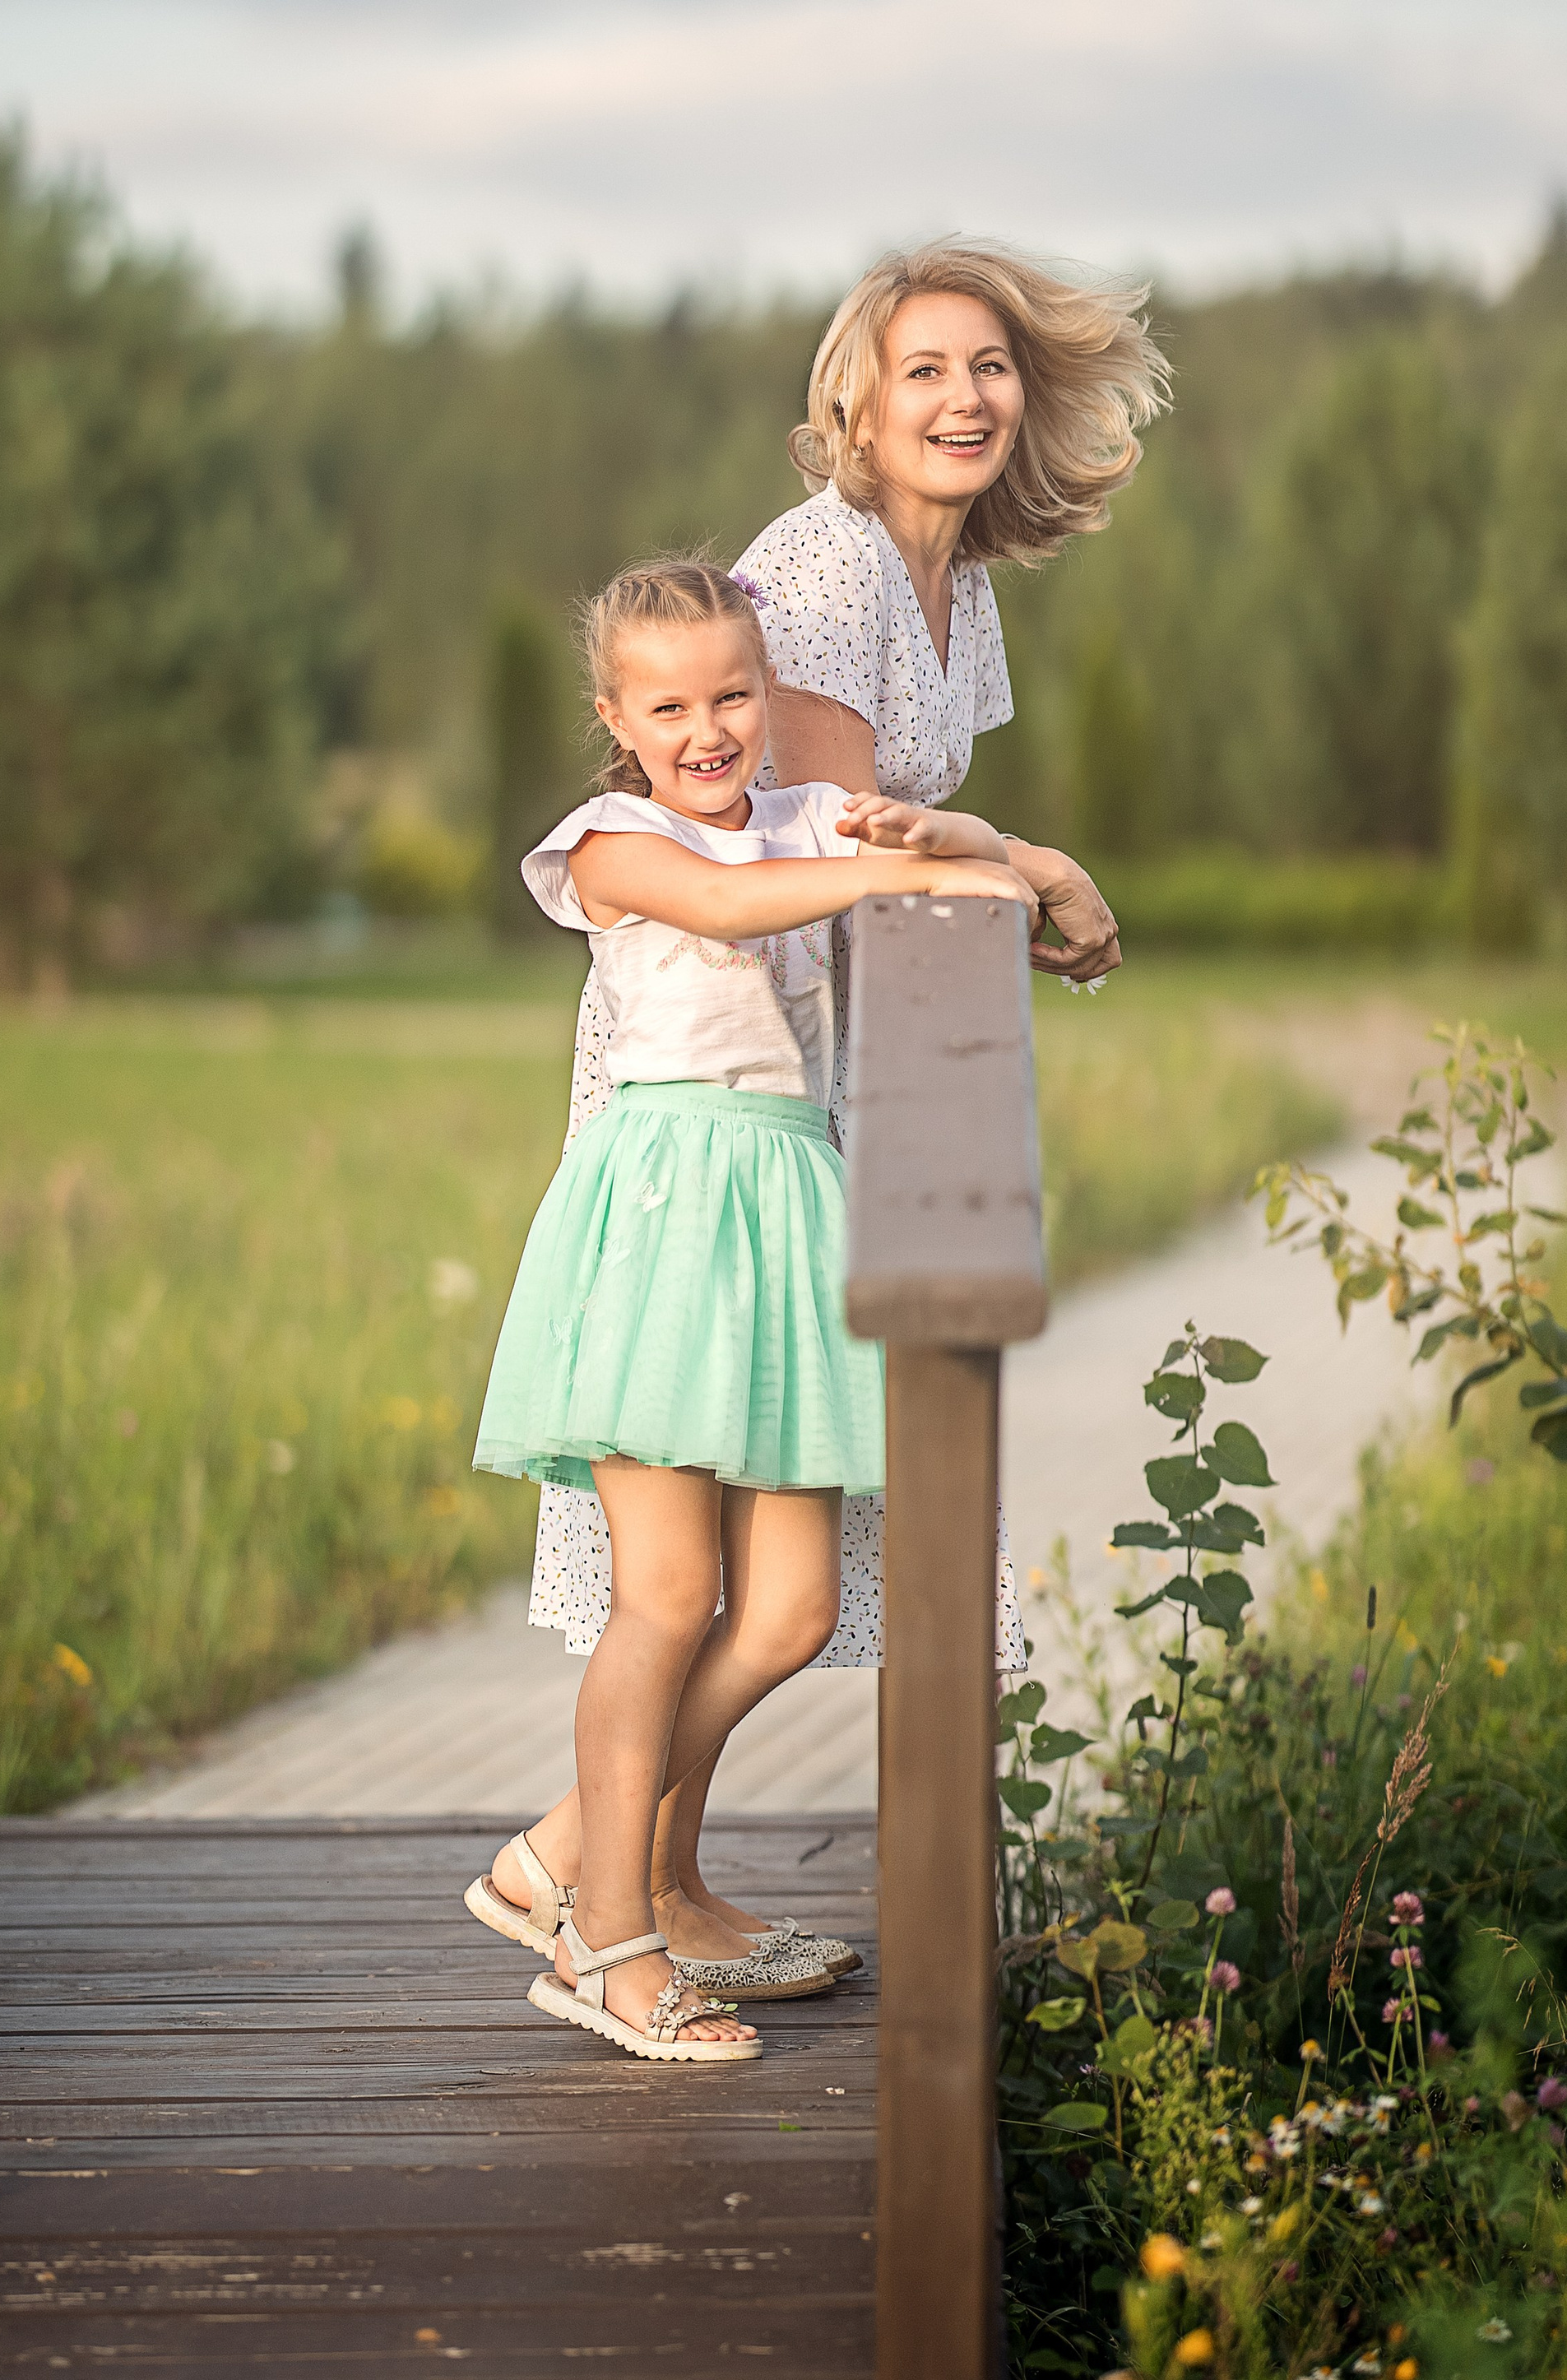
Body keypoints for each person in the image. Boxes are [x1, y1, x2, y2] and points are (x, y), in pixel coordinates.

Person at [519, 240, 1171, 1976]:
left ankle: (634, 1869)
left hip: (806, 1092)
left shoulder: (955, 586)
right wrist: (1029, 868)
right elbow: (836, 850)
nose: (963, 400)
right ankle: (596, 1873)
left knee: (783, 1569)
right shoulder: (813, 576)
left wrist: (1023, 891)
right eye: (923, 372)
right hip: (723, 1093)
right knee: (702, 1559)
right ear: (856, 408)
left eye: (988, 368)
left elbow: (874, 847)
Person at [466, 557, 1036, 2060]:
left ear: (766, 694)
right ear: (618, 716)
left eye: (735, 694)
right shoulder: (610, 841)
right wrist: (897, 871)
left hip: (782, 1214)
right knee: (666, 1595)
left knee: (785, 1607)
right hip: (666, 1220)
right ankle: (607, 1936)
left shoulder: (799, 814)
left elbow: (935, 840)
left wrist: (979, 851)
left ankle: (566, 1842)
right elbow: (726, 902)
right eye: (671, 704)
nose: (709, 727)